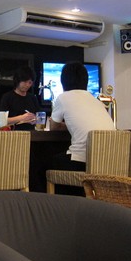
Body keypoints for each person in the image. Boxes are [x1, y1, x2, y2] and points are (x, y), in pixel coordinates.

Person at [49, 61, 115, 191]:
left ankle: (54, 203)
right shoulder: (96, 100)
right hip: (107, 162)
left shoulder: (63, 98)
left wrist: (65, 125)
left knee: (44, 163)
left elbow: (53, 127)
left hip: (82, 161)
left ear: (63, 81)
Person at [0, 65, 41, 130]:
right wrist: (21, 118)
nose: (27, 85)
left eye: (30, 82)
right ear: (18, 81)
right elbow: (2, 121)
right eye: (25, 82)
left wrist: (34, 120)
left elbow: (39, 118)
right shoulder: (7, 97)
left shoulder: (33, 98)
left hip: (31, 133)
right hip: (13, 134)